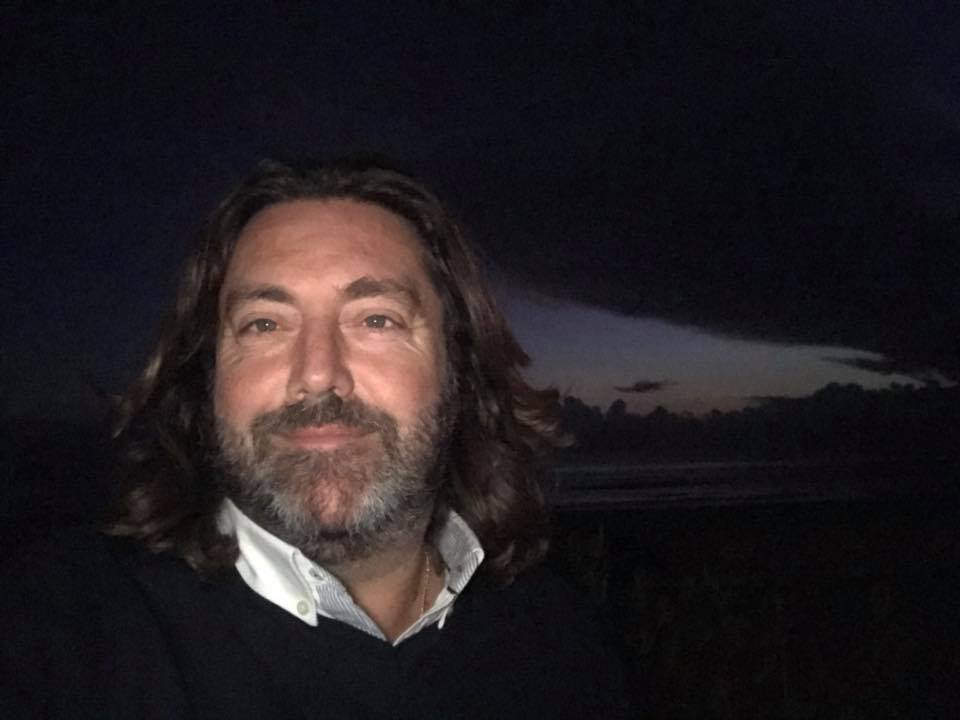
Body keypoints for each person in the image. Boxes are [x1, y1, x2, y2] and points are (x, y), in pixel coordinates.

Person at [1, 156, 628, 718]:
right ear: (208, 376)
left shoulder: (561, 642)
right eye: (265, 324)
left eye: (376, 319)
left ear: (457, 368)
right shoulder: (49, 636)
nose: (318, 373)